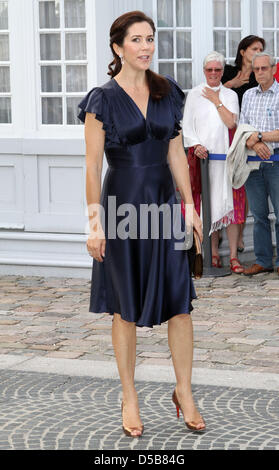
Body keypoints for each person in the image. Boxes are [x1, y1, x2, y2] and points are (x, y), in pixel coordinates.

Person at [78, 11, 205, 437]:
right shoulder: (101, 99)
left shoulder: (169, 93)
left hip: (164, 206)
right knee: (124, 308)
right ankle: (129, 396)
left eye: (150, 38)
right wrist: (95, 224)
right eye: (136, 40)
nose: (146, 46)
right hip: (122, 209)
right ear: (118, 47)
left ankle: (184, 391)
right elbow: (93, 168)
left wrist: (190, 206)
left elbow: (176, 154)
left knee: (180, 304)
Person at [183, 51, 244, 274]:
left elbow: (230, 123)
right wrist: (196, 145)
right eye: (209, 70)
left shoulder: (230, 95)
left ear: (222, 71)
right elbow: (187, 126)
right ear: (204, 71)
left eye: (218, 70)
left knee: (230, 206)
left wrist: (216, 100)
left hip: (225, 159)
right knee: (207, 205)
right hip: (202, 160)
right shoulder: (193, 94)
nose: (213, 74)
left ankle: (234, 257)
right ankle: (213, 254)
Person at [222, 35, 265, 253]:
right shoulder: (228, 72)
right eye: (254, 48)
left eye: (261, 48)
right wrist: (232, 84)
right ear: (242, 51)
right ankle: (223, 235)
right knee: (225, 185)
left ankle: (238, 238)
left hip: (248, 135)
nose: (258, 51)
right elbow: (213, 94)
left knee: (243, 188)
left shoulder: (260, 76)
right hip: (225, 133)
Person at [239, 52, 279, 277]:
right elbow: (243, 129)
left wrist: (260, 137)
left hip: (276, 162)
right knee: (259, 214)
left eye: (264, 68)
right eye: (256, 69)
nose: (260, 73)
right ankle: (263, 261)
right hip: (252, 163)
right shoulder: (248, 95)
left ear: (273, 69)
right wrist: (253, 143)